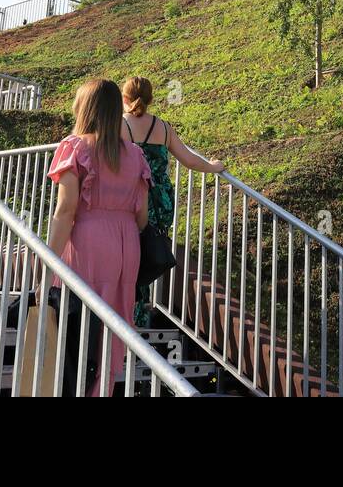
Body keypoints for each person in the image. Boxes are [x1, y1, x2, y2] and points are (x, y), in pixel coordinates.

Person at [47, 78, 151, 395]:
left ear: (85, 109)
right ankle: (100, 389)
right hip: (126, 244)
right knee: (112, 328)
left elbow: (66, 210)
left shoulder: (75, 147)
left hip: (88, 239)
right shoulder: (135, 155)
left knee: (77, 324)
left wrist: (46, 261)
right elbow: (143, 216)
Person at [120, 76, 224, 327]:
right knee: (147, 255)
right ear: (151, 98)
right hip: (161, 201)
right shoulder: (163, 127)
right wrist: (213, 167)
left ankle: (128, 315)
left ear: (124, 99)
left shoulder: (120, 126)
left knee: (130, 256)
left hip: (132, 198)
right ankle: (140, 313)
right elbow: (188, 160)